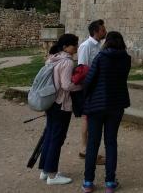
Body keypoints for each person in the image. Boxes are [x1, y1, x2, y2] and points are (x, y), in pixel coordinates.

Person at [81, 31, 131, 193]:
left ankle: (88, 182)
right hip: (116, 105)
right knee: (111, 142)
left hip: (97, 104)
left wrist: (85, 95)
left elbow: (89, 79)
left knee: (93, 143)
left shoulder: (101, 57)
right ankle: (110, 182)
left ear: (107, 42)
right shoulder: (126, 59)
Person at [38, 33, 82, 185]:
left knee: (50, 135)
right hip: (61, 104)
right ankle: (52, 175)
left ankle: (45, 170)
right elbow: (66, 85)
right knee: (57, 138)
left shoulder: (52, 58)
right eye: (74, 44)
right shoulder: (67, 62)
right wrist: (82, 86)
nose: (76, 47)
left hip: (50, 102)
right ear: (65, 46)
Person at [77, 19, 107, 160]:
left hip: (97, 87)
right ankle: (84, 148)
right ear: (96, 31)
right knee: (86, 117)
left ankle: (88, 148)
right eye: (102, 30)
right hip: (89, 87)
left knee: (90, 118)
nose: (104, 31)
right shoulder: (86, 46)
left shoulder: (98, 45)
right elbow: (82, 69)